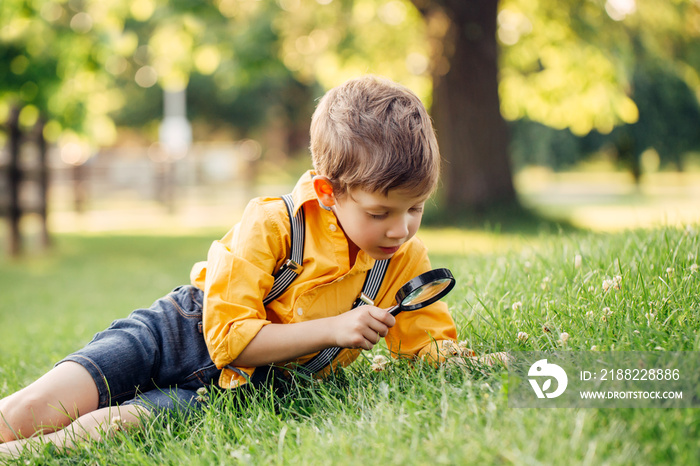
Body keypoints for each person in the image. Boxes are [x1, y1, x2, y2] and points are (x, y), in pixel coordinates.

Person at [0, 75, 458, 457]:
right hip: (177, 333)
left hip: (242, 389)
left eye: (415, 209)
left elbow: (427, 348)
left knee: (112, 425)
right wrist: (335, 329)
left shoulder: (403, 260)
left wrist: (472, 362)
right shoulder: (275, 223)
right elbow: (229, 340)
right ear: (326, 192)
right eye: (380, 214)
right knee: (33, 408)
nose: (400, 230)